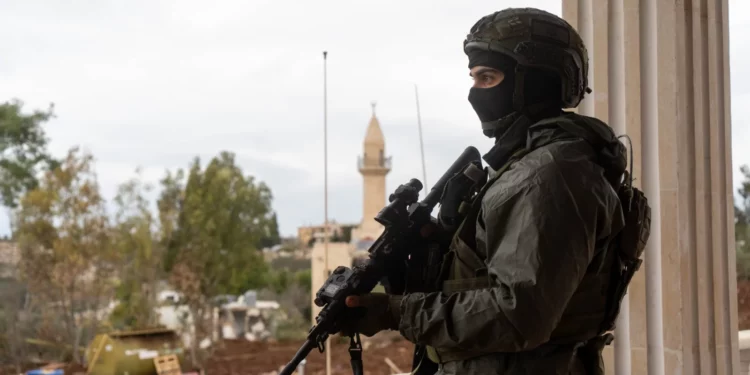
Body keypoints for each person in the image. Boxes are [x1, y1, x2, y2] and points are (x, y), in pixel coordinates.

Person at [340, 7, 633, 374]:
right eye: (474, 77)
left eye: (487, 77)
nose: (473, 93)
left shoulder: (550, 173)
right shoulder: (530, 165)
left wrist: (395, 311)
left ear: (532, 80)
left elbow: (520, 314)